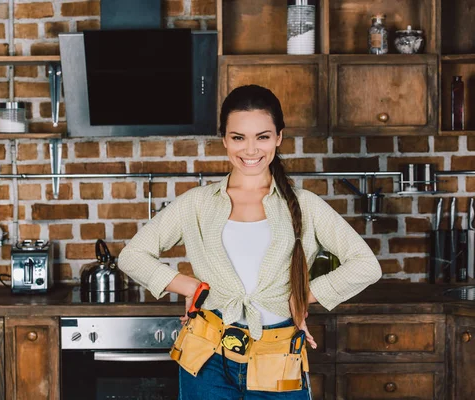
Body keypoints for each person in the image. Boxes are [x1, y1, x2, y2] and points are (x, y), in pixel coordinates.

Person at [118, 84, 382, 399]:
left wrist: (302, 297)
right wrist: (193, 288)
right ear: (225, 140)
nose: (251, 150)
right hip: (206, 357)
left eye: (263, 137)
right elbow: (132, 256)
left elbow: (366, 265)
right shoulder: (197, 203)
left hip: (278, 356)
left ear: (279, 137)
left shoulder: (305, 204)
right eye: (238, 137)